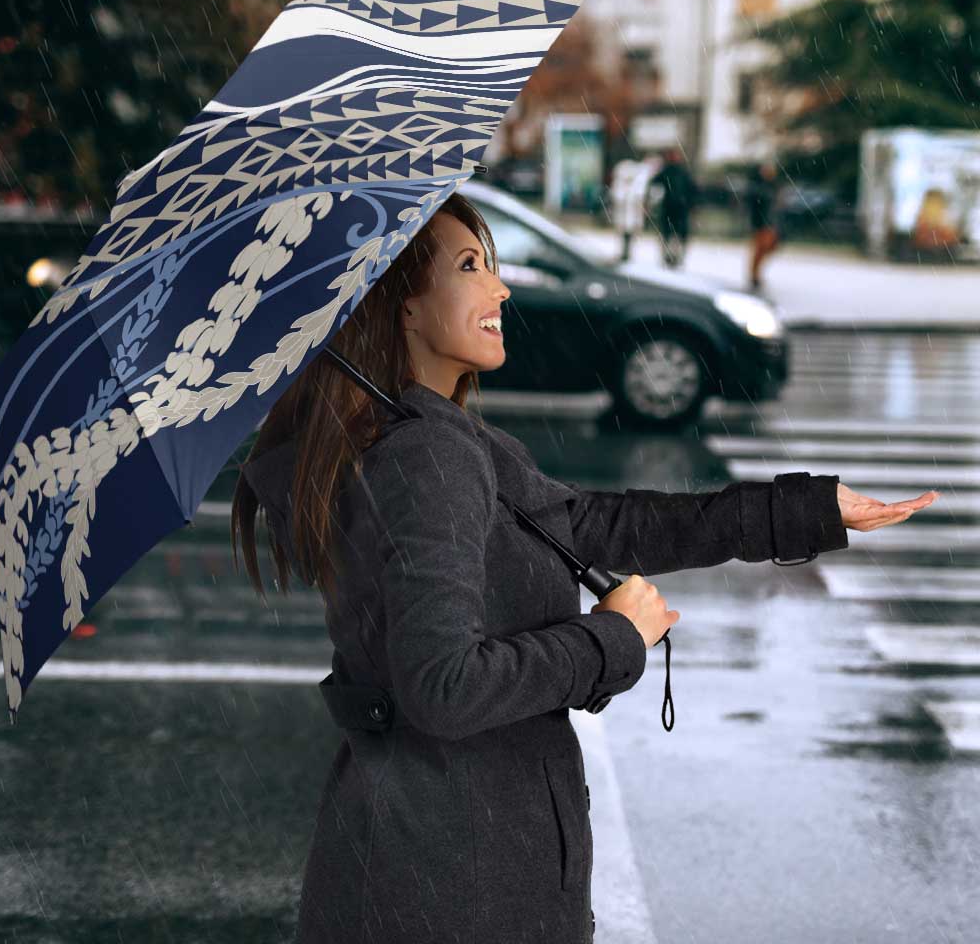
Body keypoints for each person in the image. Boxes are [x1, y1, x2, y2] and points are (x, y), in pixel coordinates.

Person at [232, 192, 937, 944]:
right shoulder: (425, 456)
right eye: (470, 267)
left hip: (437, 863)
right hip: (452, 882)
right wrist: (611, 639)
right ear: (402, 307)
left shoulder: (436, 439)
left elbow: (600, 525)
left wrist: (805, 510)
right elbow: (443, 688)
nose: (500, 288)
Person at [648, 146, 698, 269]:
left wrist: (691, 204)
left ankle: (675, 257)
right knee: (669, 234)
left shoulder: (681, 172)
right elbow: (654, 184)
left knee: (676, 235)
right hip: (671, 208)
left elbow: (692, 190)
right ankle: (669, 257)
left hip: (679, 208)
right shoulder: (668, 171)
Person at [746, 159, 782, 290]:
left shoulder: (773, 186)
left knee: (768, 248)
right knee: (760, 249)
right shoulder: (758, 187)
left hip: (770, 223)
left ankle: (755, 274)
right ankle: (754, 275)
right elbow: (755, 206)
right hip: (761, 223)